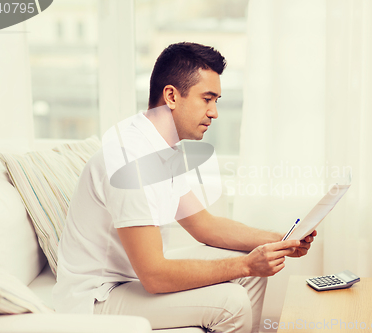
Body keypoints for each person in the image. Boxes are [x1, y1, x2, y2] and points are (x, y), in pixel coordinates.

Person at [53, 42, 317, 333]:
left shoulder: (161, 148)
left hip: (129, 279)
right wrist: (247, 266)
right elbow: (154, 275)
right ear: (171, 96)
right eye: (207, 99)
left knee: (249, 265)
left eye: (216, 100)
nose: (214, 112)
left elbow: (205, 226)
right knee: (233, 298)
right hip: (96, 299)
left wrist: (279, 240)